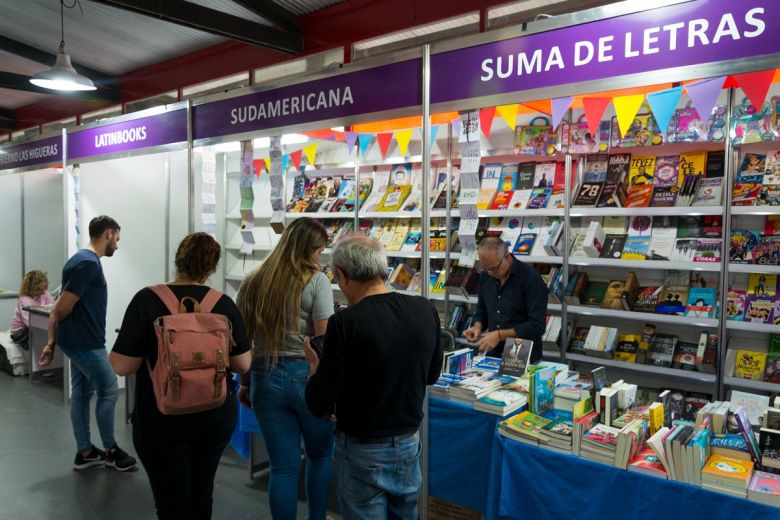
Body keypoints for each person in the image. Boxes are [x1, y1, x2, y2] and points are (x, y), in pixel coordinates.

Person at [109, 232, 252, 520]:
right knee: (202, 491)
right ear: (211, 268)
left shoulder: (147, 300)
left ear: (178, 259)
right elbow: (243, 364)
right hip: (214, 415)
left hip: (162, 419)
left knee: (171, 502)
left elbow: (122, 366)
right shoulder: (223, 304)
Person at [304, 235, 442, 520]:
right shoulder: (425, 309)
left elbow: (319, 402)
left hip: (361, 448)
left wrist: (314, 366)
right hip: (407, 444)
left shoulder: (345, 322)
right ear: (384, 268)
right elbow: (431, 375)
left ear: (342, 276)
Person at [236, 217, 336, 520]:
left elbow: (241, 341)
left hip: (264, 377)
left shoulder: (254, 279)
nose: (321, 257)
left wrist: (243, 383)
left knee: (283, 467)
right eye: (319, 250)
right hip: (305, 377)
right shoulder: (316, 281)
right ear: (307, 249)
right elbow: (323, 341)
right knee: (320, 455)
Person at [39, 215, 137, 471]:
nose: (117, 244)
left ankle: (84, 452)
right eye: (117, 237)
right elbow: (61, 308)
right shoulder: (87, 263)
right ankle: (111, 450)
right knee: (109, 390)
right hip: (85, 343)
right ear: (108, 233)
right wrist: (52, 341)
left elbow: (61, 307)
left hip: (80, 340)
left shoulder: (82, 261)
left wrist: (52, 342)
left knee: (82, 393)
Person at [463, 236, 548, 363]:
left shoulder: (531, 279)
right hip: (493, 354)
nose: (490, 273)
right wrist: (477, 326)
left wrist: (499, 335)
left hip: (523, 353)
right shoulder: (486, 276)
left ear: (506, 255)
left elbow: (537, 325)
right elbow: (482, 309)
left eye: (493, 268)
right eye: (485, 268)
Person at [10, 270, 54, 346]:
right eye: (39, 289)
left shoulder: (44, 293)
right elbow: (30, 322)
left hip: (37, 326)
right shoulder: (24, 299)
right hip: (22, 331)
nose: (42, 292)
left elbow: (53, 308)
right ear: (31, 287)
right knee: (43, 342)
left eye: (44, 289)